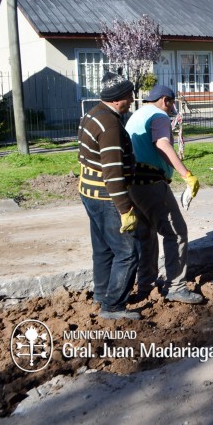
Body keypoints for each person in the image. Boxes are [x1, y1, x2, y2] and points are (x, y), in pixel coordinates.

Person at [126, 85, 203, 304]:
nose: (172, 108)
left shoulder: (137, 115)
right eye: (171, 103)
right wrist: (186, 174)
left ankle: (146, 284)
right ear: (165, 100)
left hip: (133, 183)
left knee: (147, 234)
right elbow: (162, 144)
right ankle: (176, 286)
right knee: (176, 233)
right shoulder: (159, 116)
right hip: (151, 182)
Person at [77, 71, 141, 320]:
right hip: (107, 198)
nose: (132, 100)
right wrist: (125, 209)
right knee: (127, 253)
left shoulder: (91, 115)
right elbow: (112, 171)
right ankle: (113, 306)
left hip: (90, 193)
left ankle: (103, 293)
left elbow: (86, 155)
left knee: (103, 248)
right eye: (128, 96)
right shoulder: (111, 125)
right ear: (116, 99)